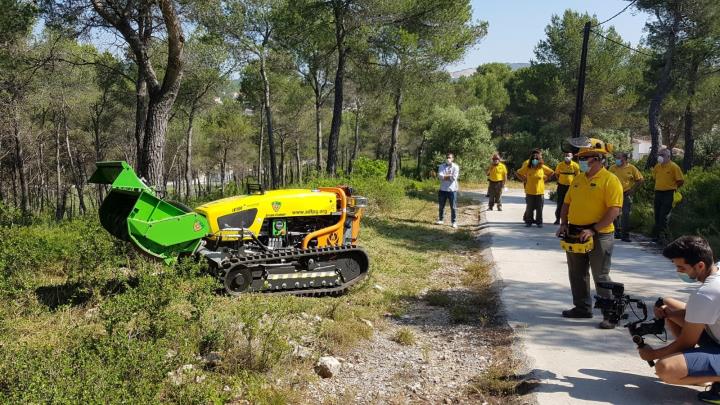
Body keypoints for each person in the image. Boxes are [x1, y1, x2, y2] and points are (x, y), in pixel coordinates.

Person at [637, 236, 720, 403]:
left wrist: (652, 354)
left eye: (682, 268)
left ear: (700, 265)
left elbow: (686, 343)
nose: (679, 272)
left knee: (666, 368)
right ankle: (701, 373)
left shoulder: (707, 293)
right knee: (668, 305)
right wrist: (669, 314)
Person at [556, 138, 623, 329]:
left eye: (587, 158)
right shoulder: (578, 179)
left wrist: (593, 229)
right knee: (576, 273)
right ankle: (582, 308)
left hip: (599, 234)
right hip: (575, 231)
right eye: (582, 158)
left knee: (600, 276)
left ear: (599, 159)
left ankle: (610, 314)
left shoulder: (610, 180)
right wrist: (563, 224)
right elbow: (567, 203)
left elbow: (614, 210)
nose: (583, 161)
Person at [609, 152, 644, 242]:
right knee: (615, 213)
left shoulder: (631, 168)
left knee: (625, 214)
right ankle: (617, 232)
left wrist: (632, 190)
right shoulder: (612, 168)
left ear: (624, 159)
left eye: (618, 157)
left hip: (626, 193)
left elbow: (640, 179)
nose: (616, 159)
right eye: (616, 157)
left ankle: (625, 235)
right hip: (614, 194)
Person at [652, 148, 684, 240]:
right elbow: (654, 178)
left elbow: (681, 180)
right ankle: (657, 235)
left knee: (664, 215)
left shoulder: (674, 167)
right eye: (659, 155)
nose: (660, 157)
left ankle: (665, 235)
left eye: (662, 155)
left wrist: (673, 187)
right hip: (658, 192)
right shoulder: (657, 166)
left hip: (669, 193)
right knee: (657, 214)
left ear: (668, 156)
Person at [516, 150, 553, 227]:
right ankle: (529, 222)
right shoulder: (528, 167)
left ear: (539, 160)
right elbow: (518, 173)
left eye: (536, 159)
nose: (535, 161)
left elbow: (551, 172)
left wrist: (546, 179)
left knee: (539, 209)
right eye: (533, 159)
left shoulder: (542, 167)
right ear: (531, 160)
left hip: (540, 192)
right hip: (530, 191)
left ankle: (539, 222)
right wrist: (523, 179)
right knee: (529, 208)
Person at [554, 152, 580, 225]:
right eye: (565, 156)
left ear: (572, 157)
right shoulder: (560, 165)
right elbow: (556, 174)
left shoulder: (575, 165)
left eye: (568, 156)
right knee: (560, 203)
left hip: (571, 187)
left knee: (570, 204)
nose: (566, 157)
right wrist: (559, 180)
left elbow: (578, 177)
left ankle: (568, 220)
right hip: (561, 186)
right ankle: (557, 219)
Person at [436, 153, 460, 229]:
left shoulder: (456, 167)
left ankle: (454, 222)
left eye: (449, 157)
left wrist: (445, 177)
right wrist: (448, 177)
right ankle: (441, 219)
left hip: (452, 190)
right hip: (442, 189)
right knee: (441, 206)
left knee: (453, 207)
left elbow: (453, 178)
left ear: (453, 158)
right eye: (447, 157)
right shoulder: (441, 166)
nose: (448, 159)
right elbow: (440, 177)